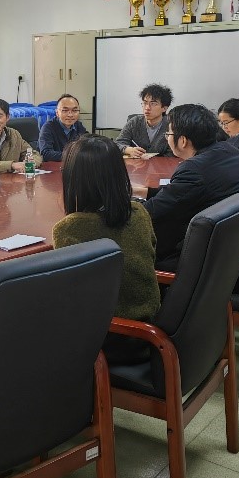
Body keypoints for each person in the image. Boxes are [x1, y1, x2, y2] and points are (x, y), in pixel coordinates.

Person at [52, 134, 159, 363]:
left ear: (73, 179)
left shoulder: (70, 228)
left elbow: (69, 297)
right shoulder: (139, 213)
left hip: (112, 338)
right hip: (148, 329)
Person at [133, 104, 239, 270]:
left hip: (198, 260)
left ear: (183, 141)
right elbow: (180, 194)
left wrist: (126, 201)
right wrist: (141, 191)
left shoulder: (194, 170)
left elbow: (149, 213)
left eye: (168, 134)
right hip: (234, 246)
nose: (167, 138)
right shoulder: (227, 150)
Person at [115, 83, 175, 157]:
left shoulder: (171, 125)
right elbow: (118, 144)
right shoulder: (134, 122)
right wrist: (128, 150)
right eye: (145, 103)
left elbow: (173, 153)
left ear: (164, 108)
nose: (147, 108)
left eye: (153, 104)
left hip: (161, 164)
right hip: (136, 164)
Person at [38, 94, 88, 162]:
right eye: (65, 110)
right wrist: (74, 156)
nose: (70, 115)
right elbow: (46, 154)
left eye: (74, 110)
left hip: (72, 165)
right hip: (53, 166)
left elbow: (88, 143)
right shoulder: (48, 127)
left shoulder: (78, 125)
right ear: (57, 113)